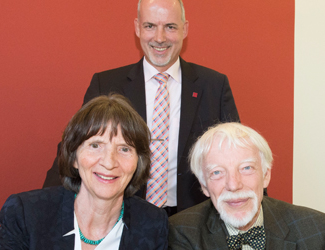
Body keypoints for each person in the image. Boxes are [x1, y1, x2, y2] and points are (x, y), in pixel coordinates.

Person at [43, 0, 240, 216]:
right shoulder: (106, 84)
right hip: (122, 215)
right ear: (137, 28)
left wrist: (260, 216)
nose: (159, 38)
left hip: (192, 220)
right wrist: (46, 214)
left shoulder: (214, 86)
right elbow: (74, 149)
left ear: (185, 30)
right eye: (150, 26)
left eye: (170, 27)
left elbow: (238, 154)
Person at [0, 94, 168, 250]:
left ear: (139, 162)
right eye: (95, 146)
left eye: (124, 149)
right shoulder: (26, 215)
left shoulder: (153, 224)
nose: (109, 162)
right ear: (74, 157)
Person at [168, 123, 325, 250]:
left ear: (266, 175)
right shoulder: (182, 232)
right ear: (204, 186)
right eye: (217, 172)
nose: (234, 185)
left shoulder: (317, 230)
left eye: (246, 168)